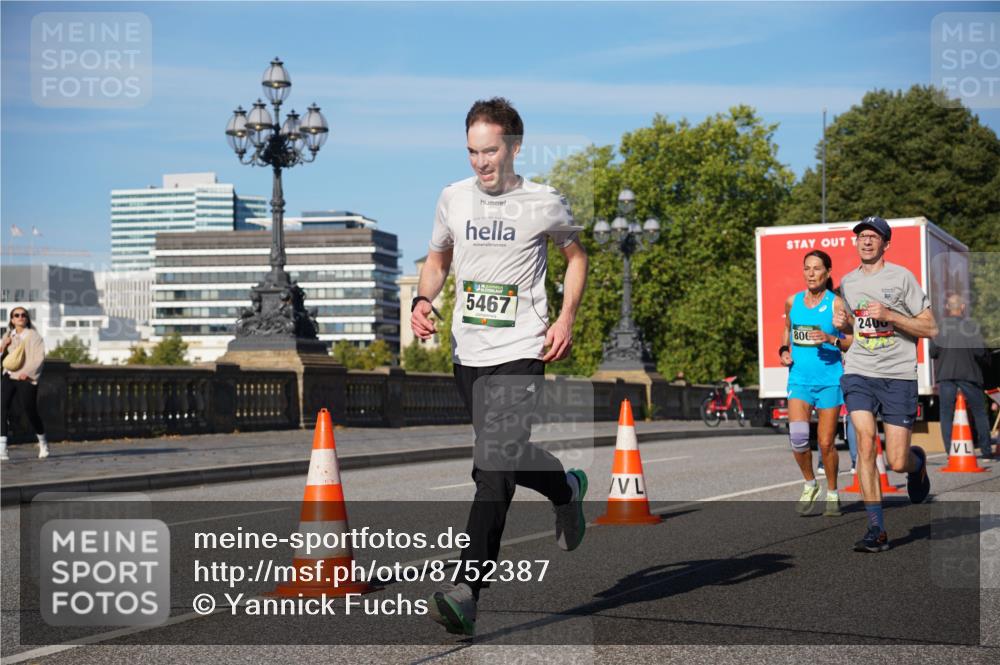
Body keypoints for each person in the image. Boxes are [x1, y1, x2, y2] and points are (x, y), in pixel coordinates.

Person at [411, 98, 589, 636]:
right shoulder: (452, 198)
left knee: (491, 469)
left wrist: (566, 318)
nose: (480, 162)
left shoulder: (543, 201)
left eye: (490, 151)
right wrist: (423, 302)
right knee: (503, 461)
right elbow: (438, 259)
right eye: (472, 151)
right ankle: (564, 489)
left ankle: (467, 590)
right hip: (468, 354)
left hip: (522, 349)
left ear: (513, 146)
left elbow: (576, 256)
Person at [835, 216, 938, 553]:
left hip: (897, 375)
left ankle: (916, 464)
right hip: (859, 372)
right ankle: (876, 529)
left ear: (885, 244)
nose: (866, 241)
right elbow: (853, 335)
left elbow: (930, 329)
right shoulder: (848, 283)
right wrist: (843, 328)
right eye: (861, 236)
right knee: (865, 443)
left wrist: (890, 314)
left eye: (873, 236)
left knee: (896, 460)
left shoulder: (902, 278)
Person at [780, 250, 851, 517]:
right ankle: (810, 483)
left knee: (825, 443)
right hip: (799, 380)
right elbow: (787, 329)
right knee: (798, 439)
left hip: (829, 381)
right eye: (806, 268)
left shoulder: (836, 305)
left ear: (828, 272)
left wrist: (832, 339)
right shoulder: (793, 301)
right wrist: (782, 351)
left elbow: (852, 340)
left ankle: (832, 491)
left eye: (816, 268)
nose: (811, 273)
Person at [931, 293, 994, 460]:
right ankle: (986, 451)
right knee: (979, 412)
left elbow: (933, 352)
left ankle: (950, 452)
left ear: (947, 308)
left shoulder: (941, 327)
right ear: (963, 307)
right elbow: (980, 352)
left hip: (946, 375)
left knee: (946, 413)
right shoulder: (971, 327)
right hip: (970, 375)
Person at [1, 307, 48, 461]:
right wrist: (4, 345)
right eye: (17, 315)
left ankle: (43, 443)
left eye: (23, 315)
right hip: (9, 375)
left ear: (27, 319)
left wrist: (27, 373)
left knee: (30, 410)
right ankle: (2, 448)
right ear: (12, 319)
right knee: (1, 408)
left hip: (25, 377)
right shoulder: (8, 335)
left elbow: (39, 358)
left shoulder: (34, 337)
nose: (20, 317)